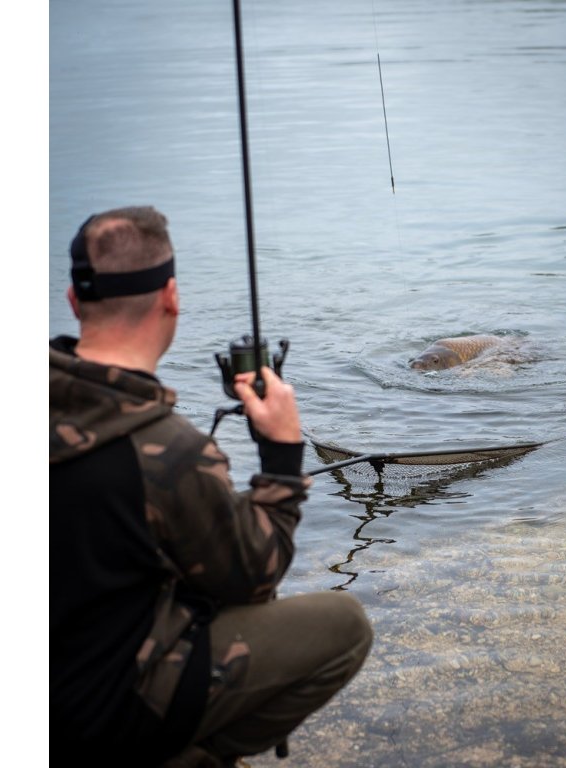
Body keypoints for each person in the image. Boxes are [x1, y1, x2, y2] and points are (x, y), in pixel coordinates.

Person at [50, 206, 373, 767]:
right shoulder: (168, 451)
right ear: (171, 297)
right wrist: (281, 454)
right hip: (97, 718)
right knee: (345, 626)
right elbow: (253, 575)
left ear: (75, 302)